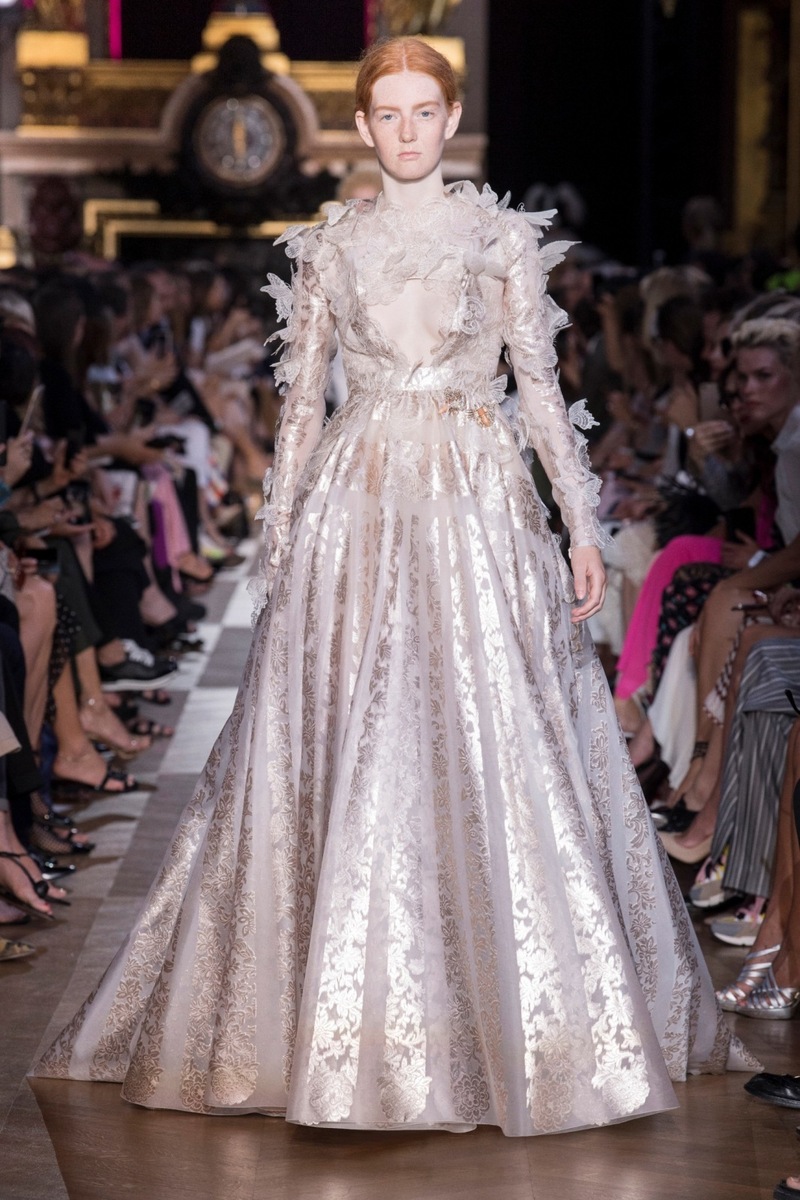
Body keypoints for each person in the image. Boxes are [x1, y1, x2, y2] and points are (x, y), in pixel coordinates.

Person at [33, 37, 753, 1136]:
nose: (407, 131)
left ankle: (515, 1019)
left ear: (450, 117)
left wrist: (578, 525)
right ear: (363, 125)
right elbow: (300, 410)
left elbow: (539, 389)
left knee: (489, 731)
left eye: (425, 111)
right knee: (350, 732)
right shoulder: (329, 247)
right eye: (389, 114)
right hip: (356, 509)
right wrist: (279, 540)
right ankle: (334, 1023)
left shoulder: (501, 240)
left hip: (476, 505)